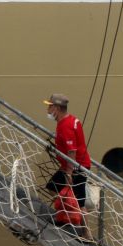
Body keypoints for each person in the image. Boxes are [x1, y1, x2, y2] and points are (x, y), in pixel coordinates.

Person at [43, 94, 93, 236]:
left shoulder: (66, 126)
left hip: (77, 167)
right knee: (52, 187)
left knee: (79, 201)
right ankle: (65, 217)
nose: (48, 109)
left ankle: (86, 234)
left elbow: (72, 151)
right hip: (71, 165)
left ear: (57, 108)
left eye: (50, 106)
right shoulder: (70, 120)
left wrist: (69, 174)